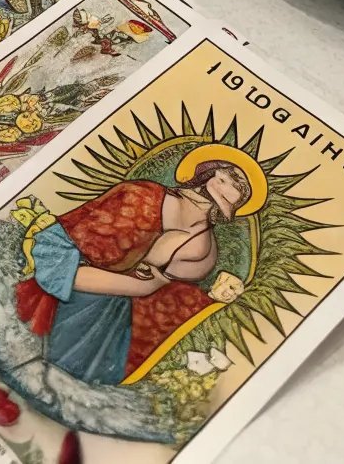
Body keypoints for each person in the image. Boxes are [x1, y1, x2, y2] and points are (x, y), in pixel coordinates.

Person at [14, 161, 251, 383]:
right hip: (69, 280)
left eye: (217, 203)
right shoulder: (139, 197)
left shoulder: (202, 248)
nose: (205, 207)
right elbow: (61, 258)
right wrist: (142, 285)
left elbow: (162, 289)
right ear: (204, 180)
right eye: (216, 192)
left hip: (117, 312)